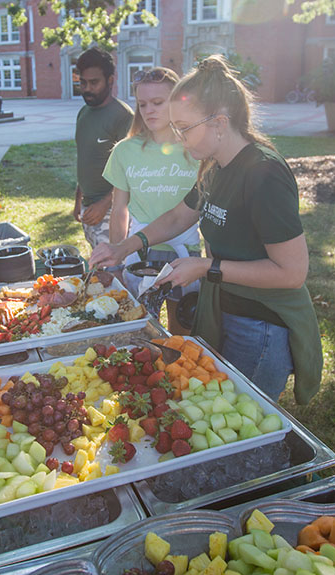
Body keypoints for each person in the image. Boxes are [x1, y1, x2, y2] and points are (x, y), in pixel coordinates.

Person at [90, 56, 322, 403]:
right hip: (226, 309)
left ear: (219, 122)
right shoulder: (215, 167)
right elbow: (178, 217)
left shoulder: (264, 174)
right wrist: (122, 248)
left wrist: (206, 267)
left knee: (243, 415)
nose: (179, 139)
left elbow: (292, 272)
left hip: (261, 324)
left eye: (184, 127)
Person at [102, 67, 200, 334]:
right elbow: (119, 209)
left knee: (183, 329)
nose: (149, 110)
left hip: (184, 252)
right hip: (140, 252)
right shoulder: (125, 150)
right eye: (143, 104)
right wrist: (116, 260)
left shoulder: (196, 149)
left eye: (158, 103)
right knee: (139, 328)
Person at [73, 48, 134, 249]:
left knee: (112, 270)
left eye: (94, 82)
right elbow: (85, 158)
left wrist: (105, 203)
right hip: (89, 207)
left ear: (110, 80)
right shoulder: (83, 113)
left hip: (112, 209)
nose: (87, 89)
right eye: (83, 82)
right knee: (99, 268)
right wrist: (78, 200)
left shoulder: (123, 116)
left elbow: (131, 171)